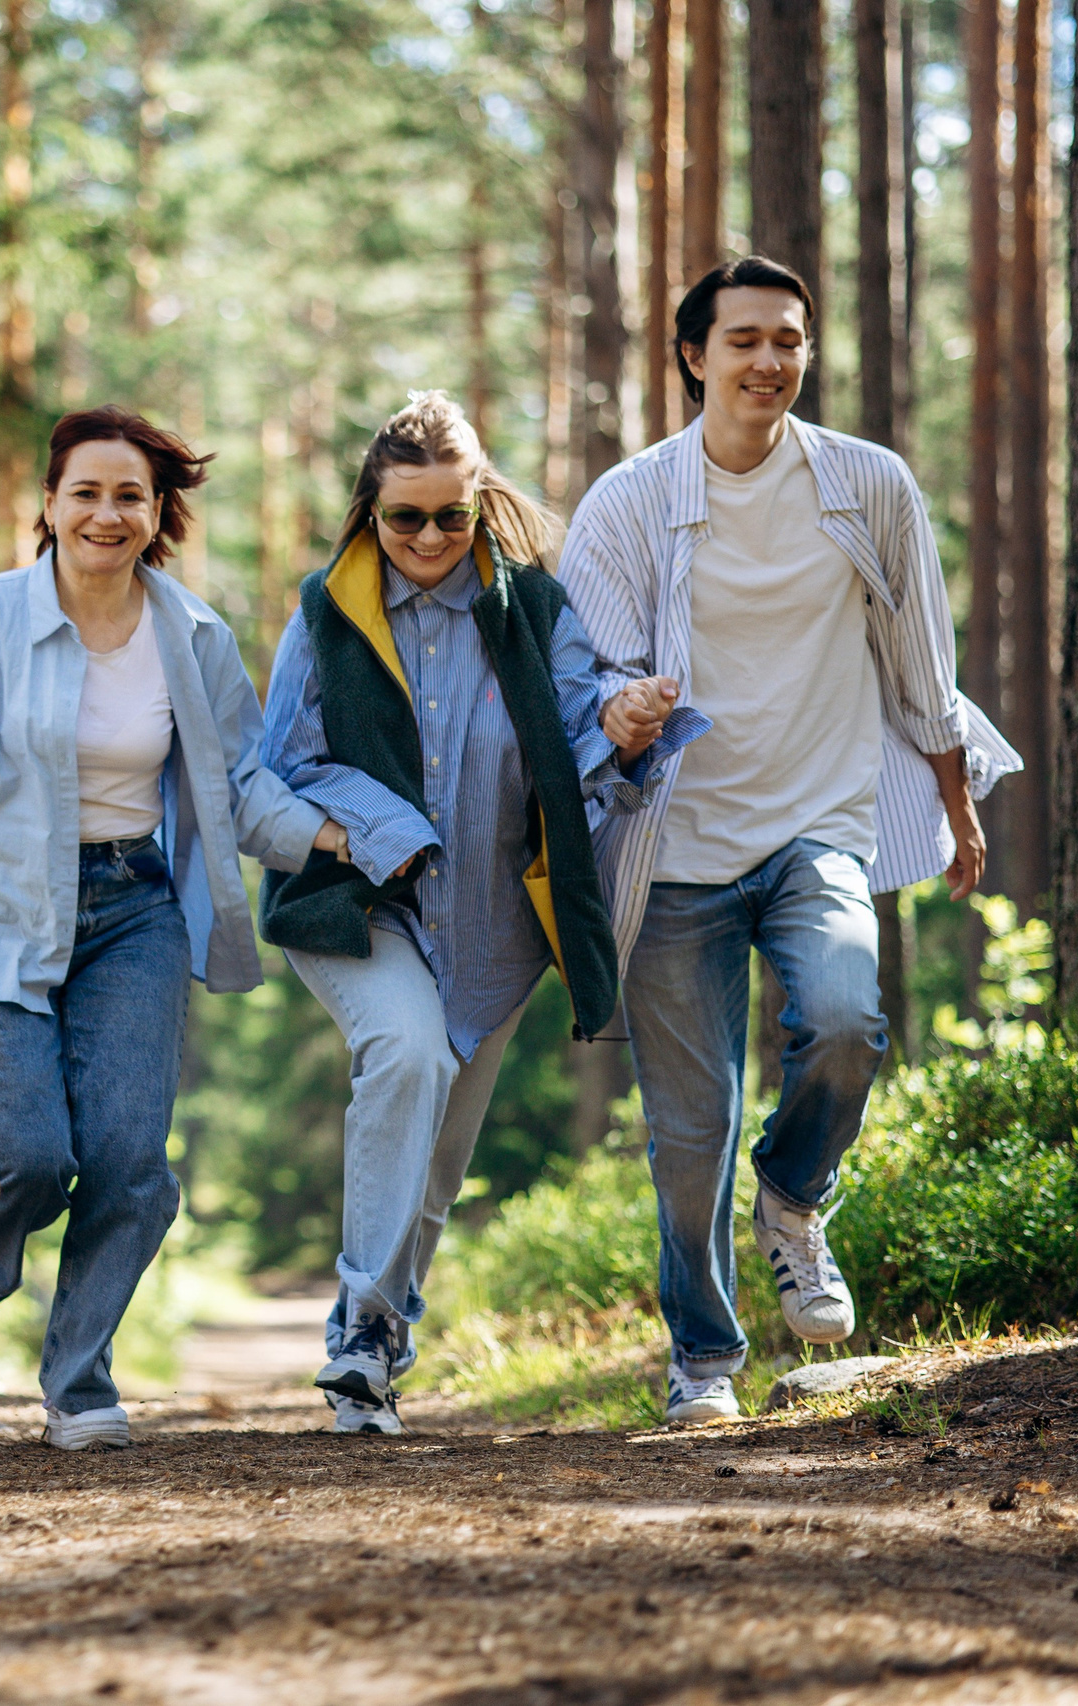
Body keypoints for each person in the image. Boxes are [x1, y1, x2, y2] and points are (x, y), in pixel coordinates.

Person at [0, 406, 334, 1451]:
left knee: (130, 1164)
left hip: (131, 908)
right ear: (48, 504)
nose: (106, 513)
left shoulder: (194, 635)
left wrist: (341, 837)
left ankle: (77, 1381)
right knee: (21, 1160)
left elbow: (241, 782)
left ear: (158, 510)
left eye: (129, 494)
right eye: (85, 491)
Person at [557, 257, 1016, 1426]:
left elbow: (922, 663)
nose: (769, 361)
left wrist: (958, 805)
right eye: (745, 340)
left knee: (847, 1025)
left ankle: (794, 1191)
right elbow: (588, 677)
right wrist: (620, 712)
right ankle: (700, 1361)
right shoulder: (628, 500)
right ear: (692, 356)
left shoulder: (867, 485)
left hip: (819, 824)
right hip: (674, 848)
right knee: (686, 1127)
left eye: (789, 341)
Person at [260, 392, 681, 1435]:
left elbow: (580, 745)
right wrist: (377, 825)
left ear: (481, 504)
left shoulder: (533, 610)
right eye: (406, 518)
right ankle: (358, 1325)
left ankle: (377, 1360)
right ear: (369, 514)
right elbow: (274, 773)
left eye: (452, 515)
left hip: (497, 926)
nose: (431, 538)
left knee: (438, 1163)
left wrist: (624, 729)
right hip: (367, 911)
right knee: (405, 1056)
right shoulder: (325, 613)